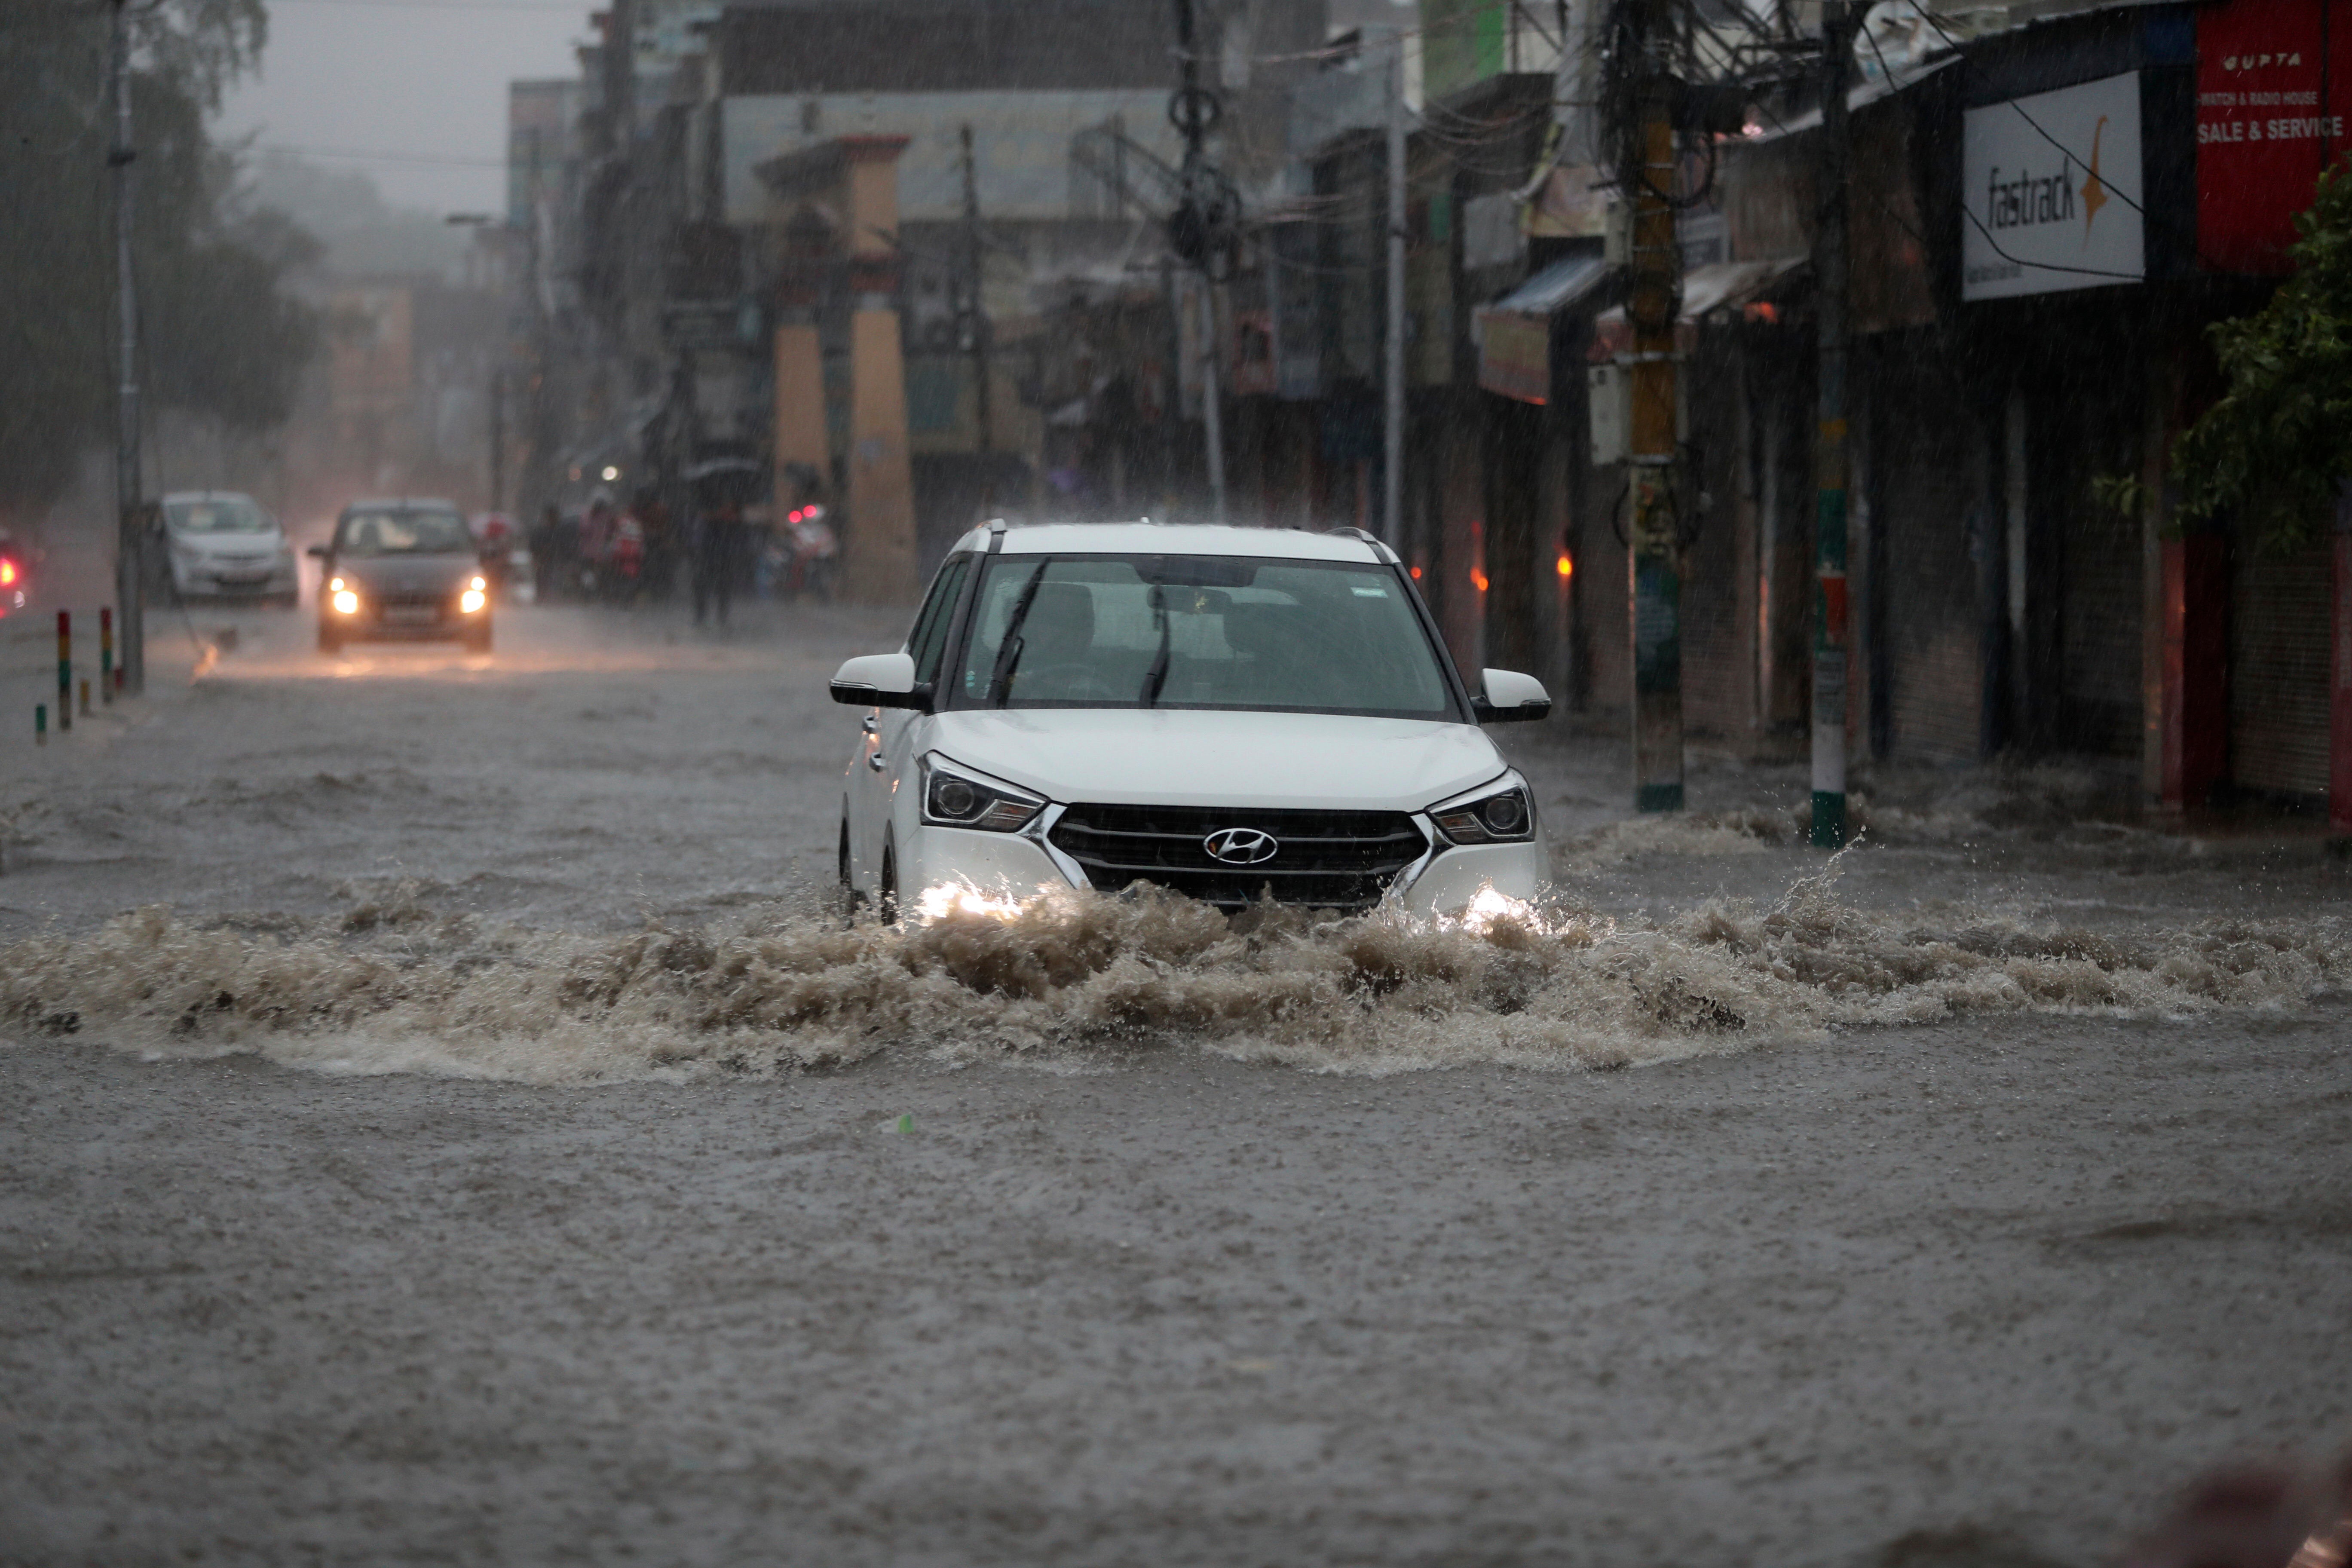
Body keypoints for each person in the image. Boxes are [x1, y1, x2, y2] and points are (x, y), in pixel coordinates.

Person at [692, 496, 748, 627]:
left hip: (725, 560)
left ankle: (722, 618)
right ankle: (701, 617)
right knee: (702, 586)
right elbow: (702, 539)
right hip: (709, 558)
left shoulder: (736, 524)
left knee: (723, 589)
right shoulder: (711, 522)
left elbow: (740, 541)